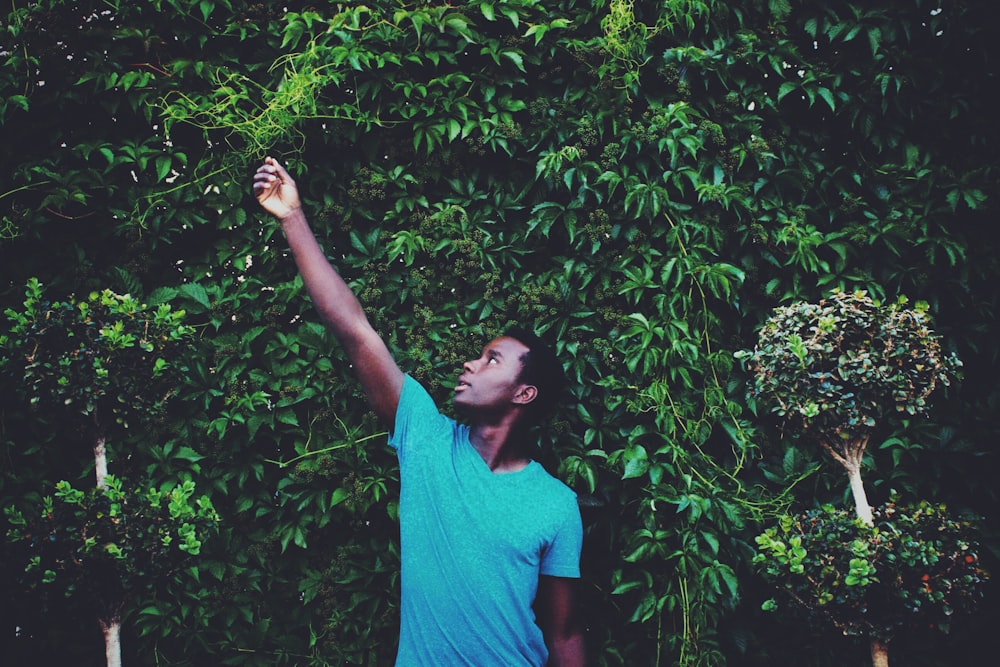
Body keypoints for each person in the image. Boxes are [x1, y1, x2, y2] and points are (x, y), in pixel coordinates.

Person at [252, 157, 585, 666]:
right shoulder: (425, 437)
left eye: (491, 358)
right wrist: (292, 218)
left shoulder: (556, 505)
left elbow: (563, 634)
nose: (470, 364)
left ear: (524, 393)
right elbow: (355, 330)